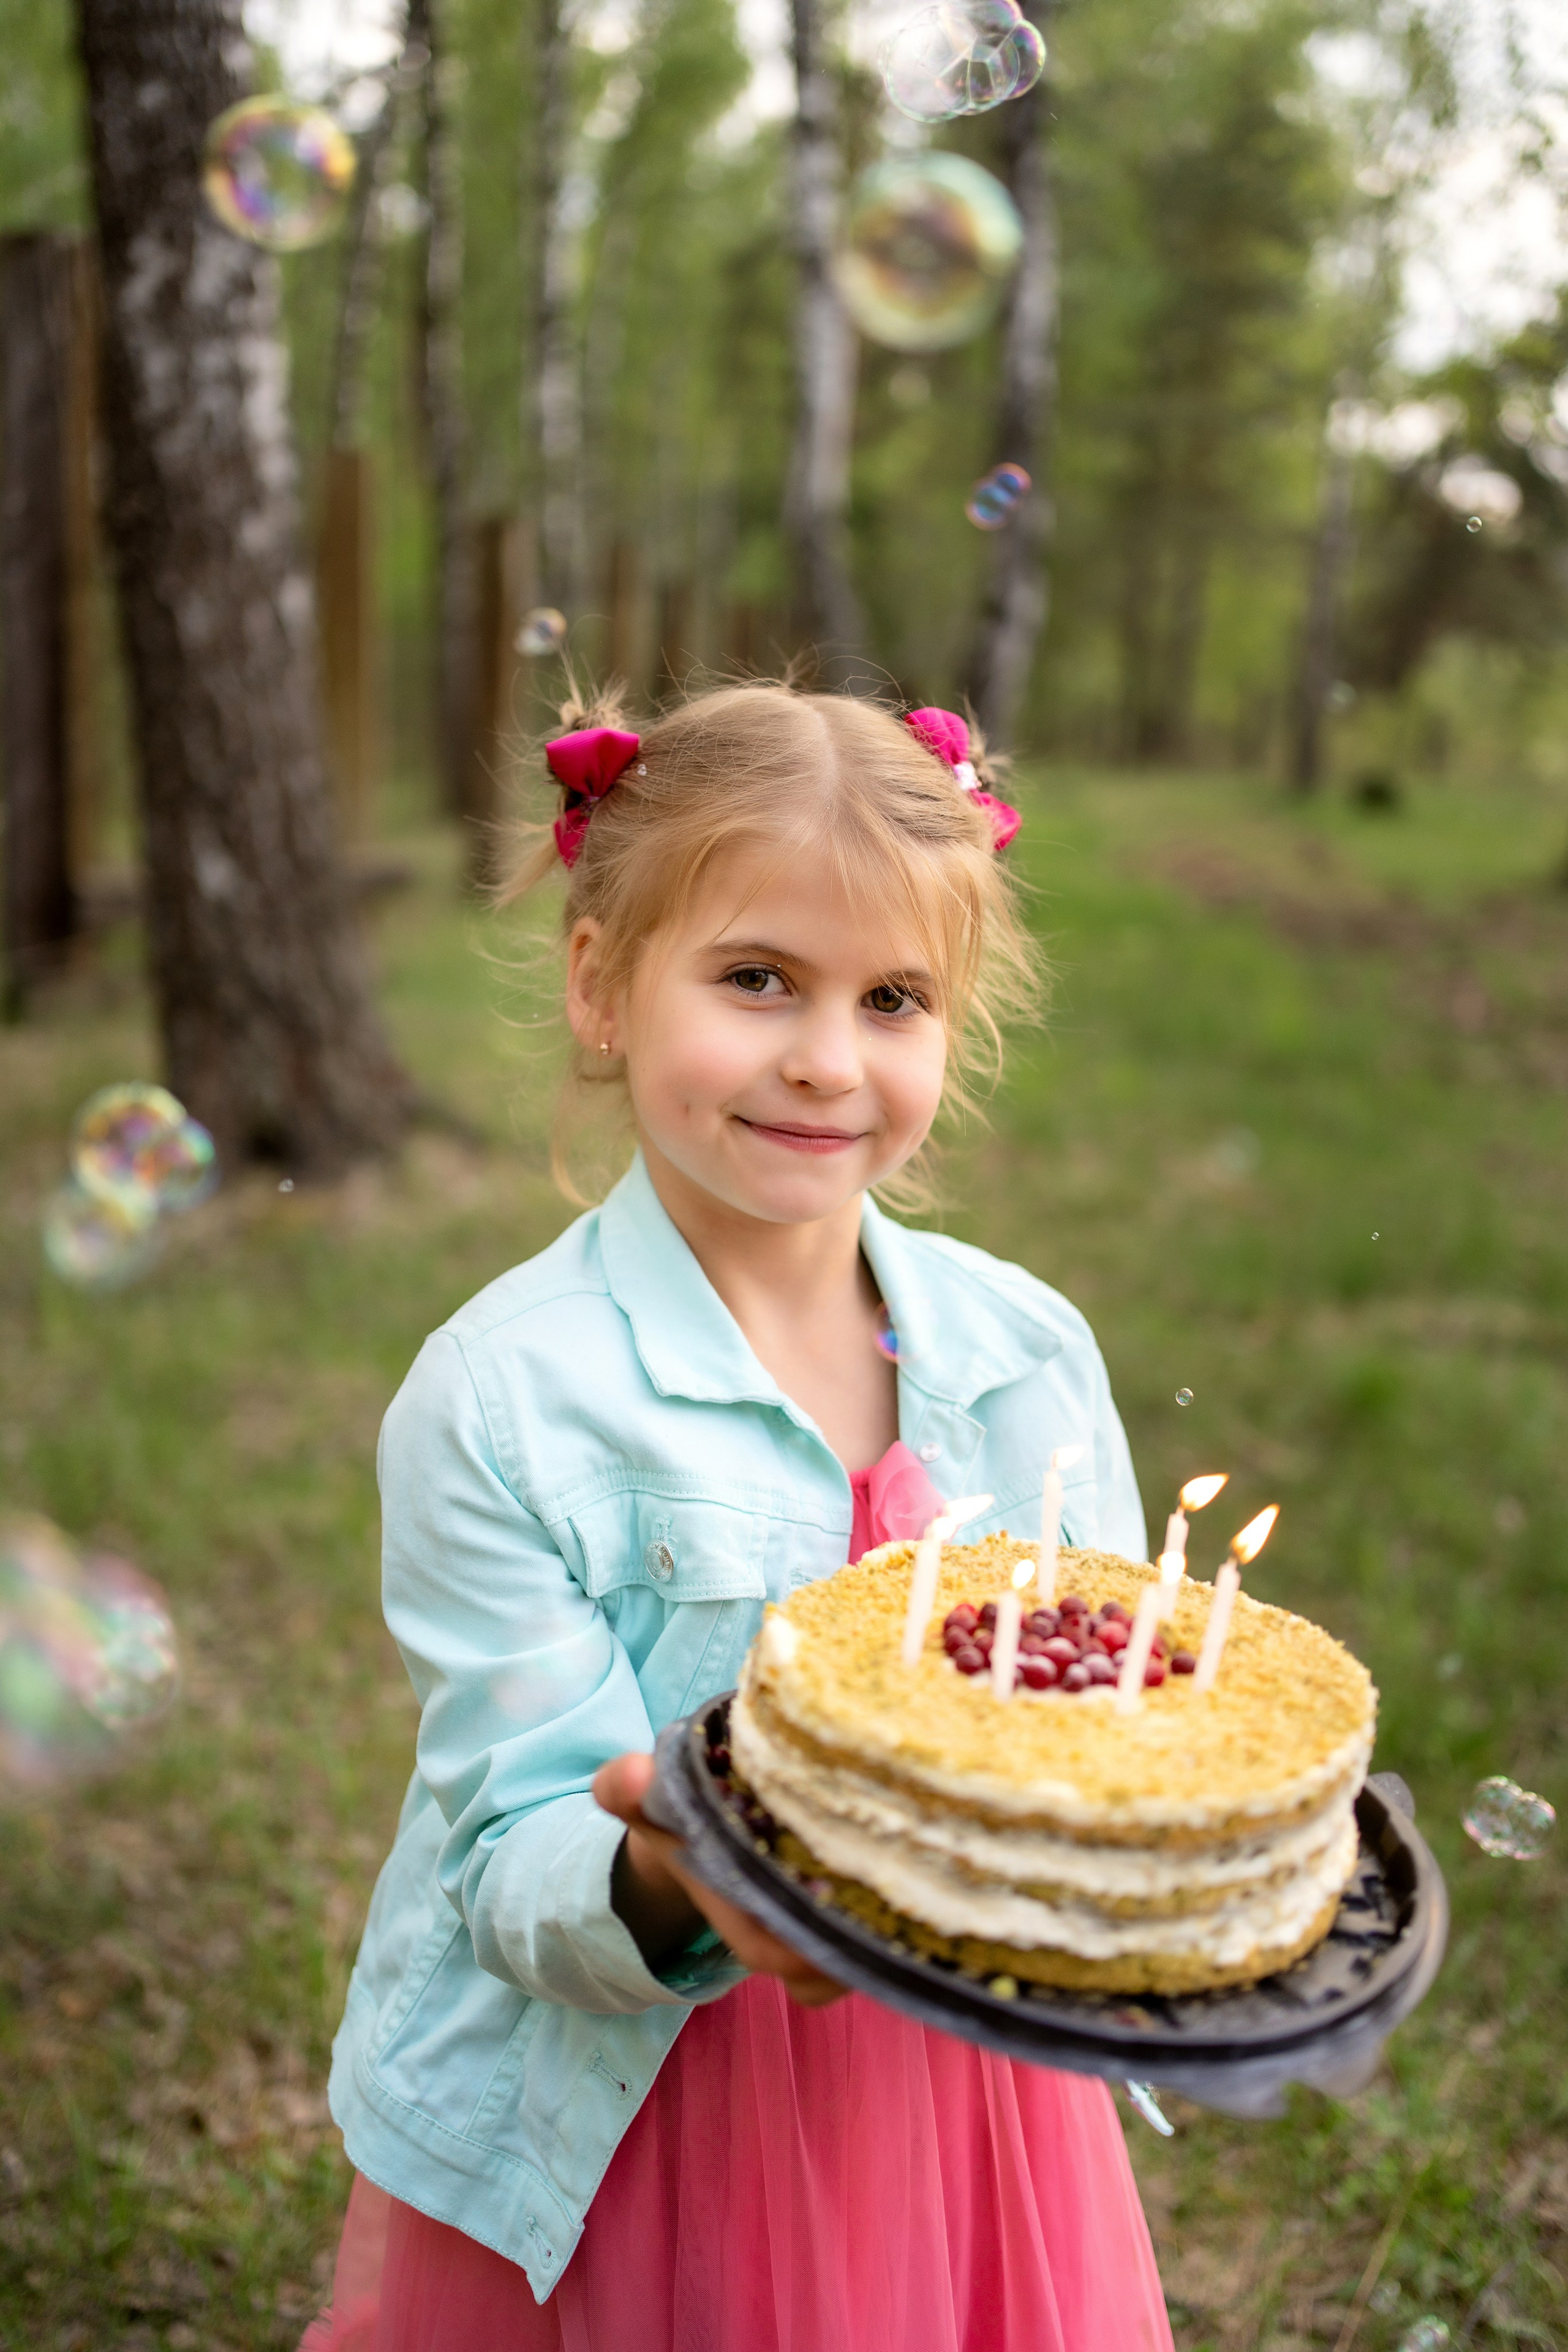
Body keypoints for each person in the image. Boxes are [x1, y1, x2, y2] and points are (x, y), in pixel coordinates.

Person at [303, 680, 1174, 2352]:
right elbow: (512, 1851)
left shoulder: (1023, 1356)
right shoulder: (504, 1402)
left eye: (894, 999)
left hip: (955, 2099)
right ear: (601, 984)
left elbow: (1108, 1702)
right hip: (636, 2115)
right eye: (758, 979)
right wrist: (682, 1874)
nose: (827, 1061)